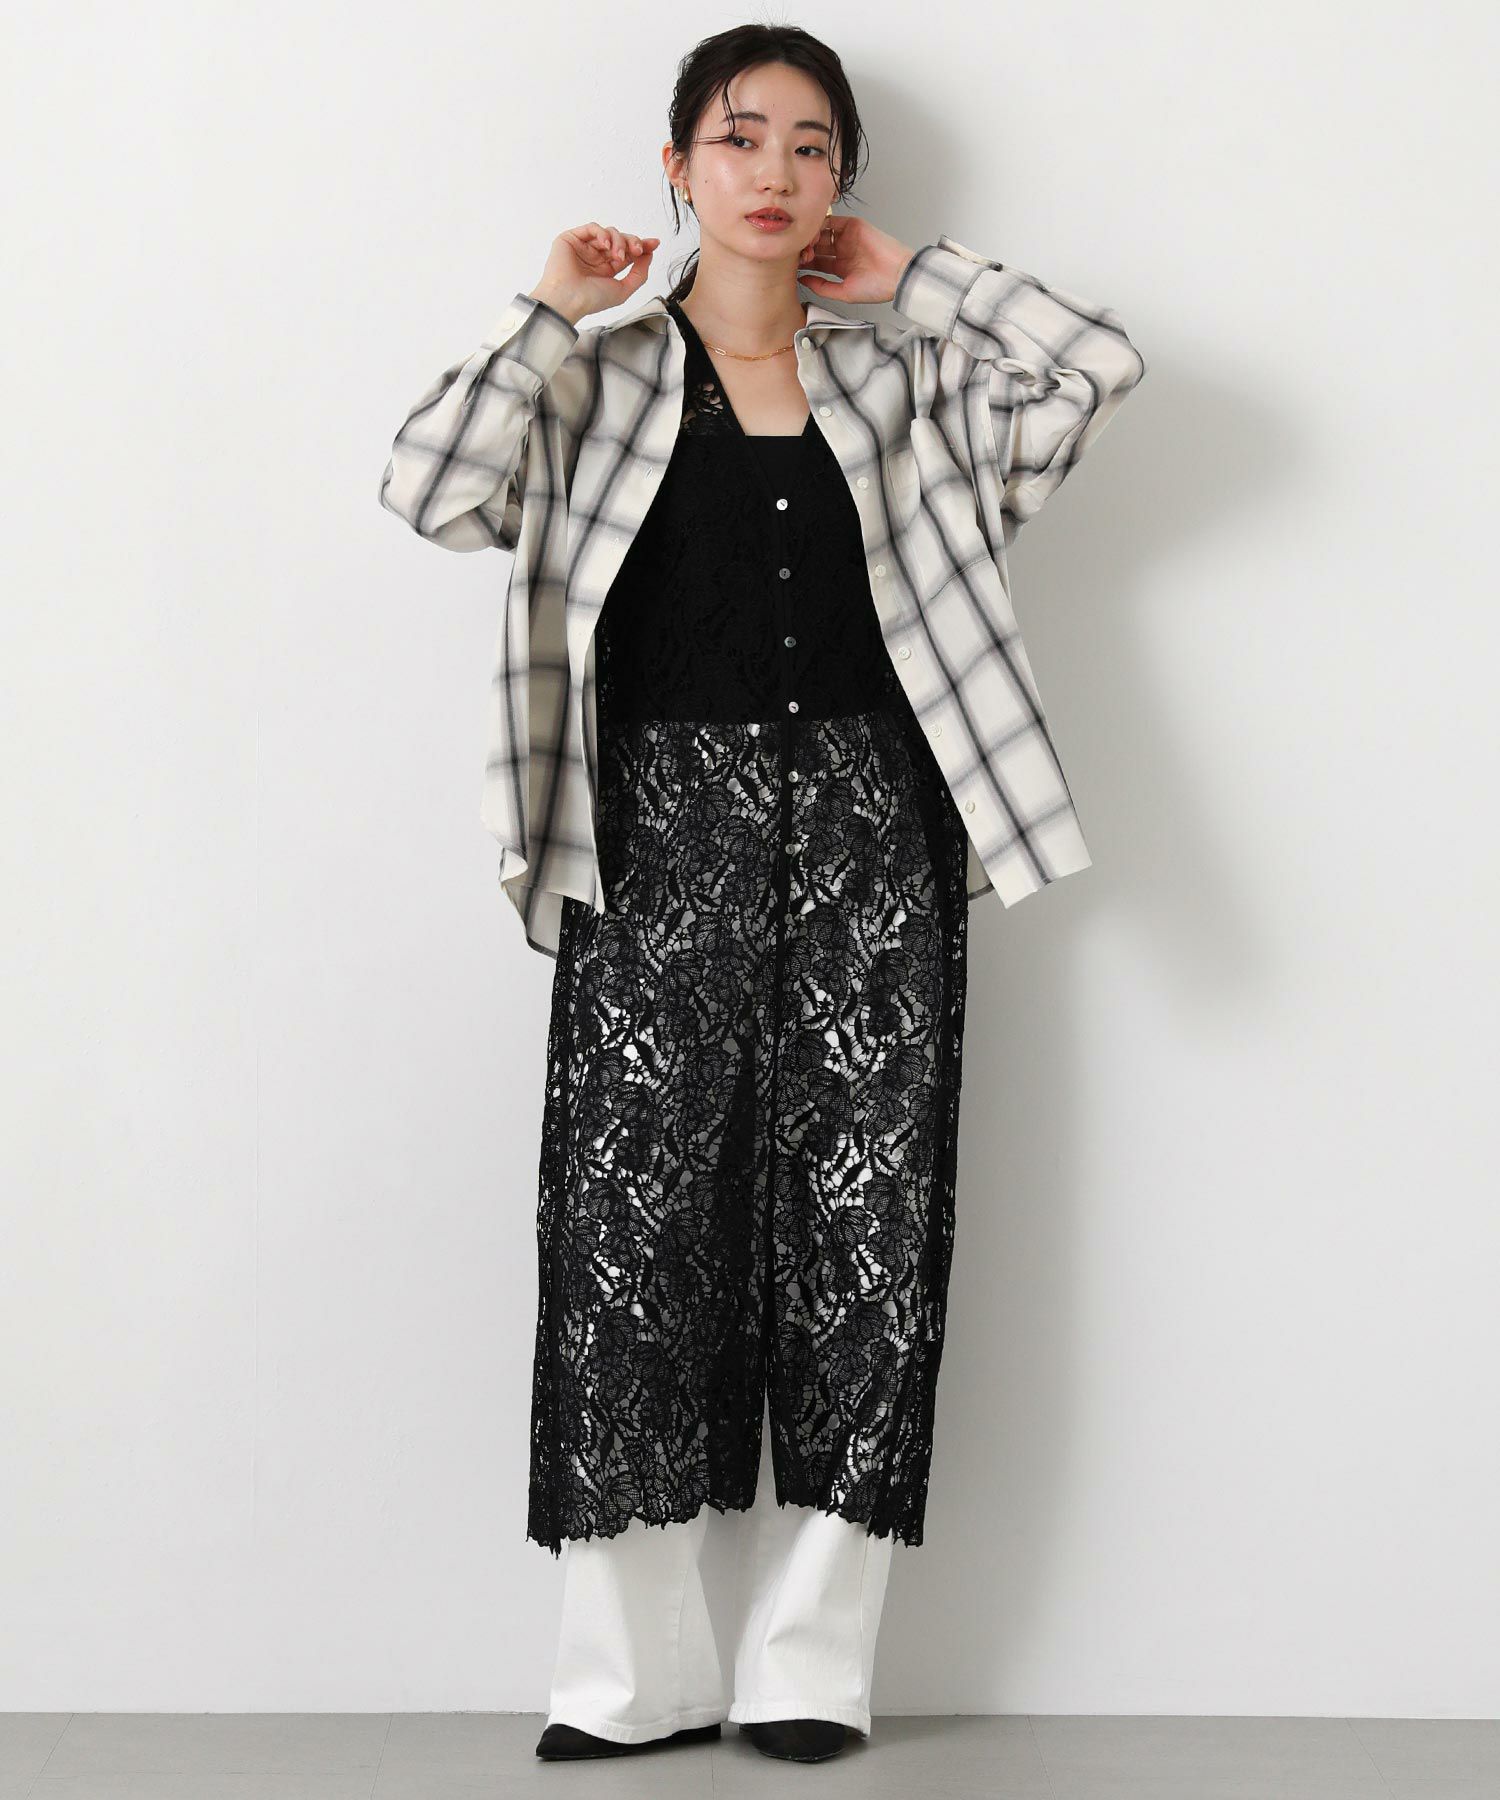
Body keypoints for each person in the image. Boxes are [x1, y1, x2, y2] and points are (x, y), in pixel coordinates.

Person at [378, 21, 1146, 1766]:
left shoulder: (906, 382)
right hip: (651, 836)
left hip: (880, 834)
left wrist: (924, 279)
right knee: (631, 1241)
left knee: (866, 1239)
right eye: (739, 139)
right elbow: (426, 487)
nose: (776, 173)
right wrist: (546, 309)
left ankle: (811, 1667)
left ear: (840, 181)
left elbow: (1100, 367)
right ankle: (631, 1678)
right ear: (678, 167)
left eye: (812, 146)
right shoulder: (594, 380)